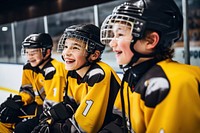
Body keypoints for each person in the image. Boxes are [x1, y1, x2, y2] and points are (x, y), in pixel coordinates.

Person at [100, 0, 200, 133]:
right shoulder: (132, 77)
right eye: (113, 35)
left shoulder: (173, 83)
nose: (112, 43)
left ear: (151, 41)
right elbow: (122, 122)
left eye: (120, 34)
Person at [32, 24, 121, 133]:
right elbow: (70, 105)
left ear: (94, 55)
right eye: (65, 47)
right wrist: (51, 117)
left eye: (75, 48)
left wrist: (58, 129)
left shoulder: (99, 74)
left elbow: (86, 124)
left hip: (114, 127)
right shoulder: (72, 73)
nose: (66, 53)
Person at [0, 33, 66, 133]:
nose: (29, 56)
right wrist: (20, 100)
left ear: (47, 52)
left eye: (34, 52)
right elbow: (27, 90)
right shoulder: (29, 67)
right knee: (5, 116)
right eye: (27, 52)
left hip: (56, 111)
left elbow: (54, 103)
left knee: (21, 129)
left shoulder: (54, 70)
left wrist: (45, 121)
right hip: (39, 107)